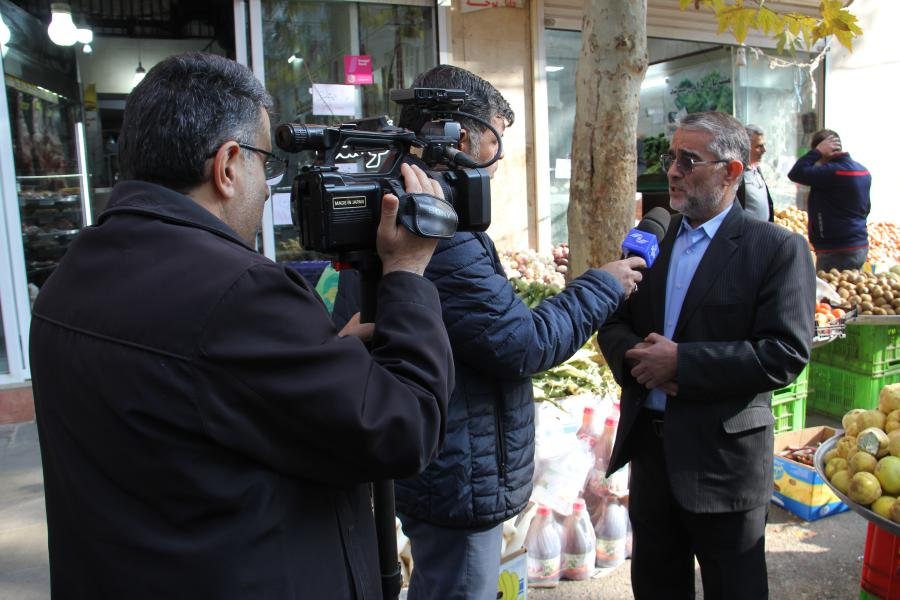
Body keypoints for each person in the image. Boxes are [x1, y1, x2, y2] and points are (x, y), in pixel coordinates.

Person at [29, 52, 455, 599]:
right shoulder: (239, 293)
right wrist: (408, 272)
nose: (269, 186)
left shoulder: (71, 275)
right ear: (228, 165)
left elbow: (191, 394)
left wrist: (315, 359)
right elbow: (406, 429)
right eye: (265, 163)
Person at [357, 64, 644, 600]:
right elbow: (522, 343)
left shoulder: (406, 206)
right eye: (496, 141)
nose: (499, 159)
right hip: (459, 471)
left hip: (445, 457)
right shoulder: (434, 226)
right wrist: (603, 285)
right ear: (463, 140)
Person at [596, 111, 815, 600]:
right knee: (656, 587)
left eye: (688, 160)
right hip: (651, 456)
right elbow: (612, 321)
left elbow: (784, 352)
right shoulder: (651, 239)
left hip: (724, 465)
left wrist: (684, 363)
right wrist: (637, 357)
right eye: (671, 158)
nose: (673, 171)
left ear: (731, 171)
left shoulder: (775, 249)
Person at [787, 128, 872, 272]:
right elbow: (867, 208)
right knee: (852, 285)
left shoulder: (831, 172)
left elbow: (796, 172)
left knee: (830, 285)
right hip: (859, 244)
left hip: (836, 249)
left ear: (823, 150)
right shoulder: (863, 171)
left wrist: (817, 152)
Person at [735, 124, 774, 222]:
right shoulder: (736, 174)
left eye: (764, 145)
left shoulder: (757, 170)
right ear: (745, 147)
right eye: (759, 146)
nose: (764, 150)